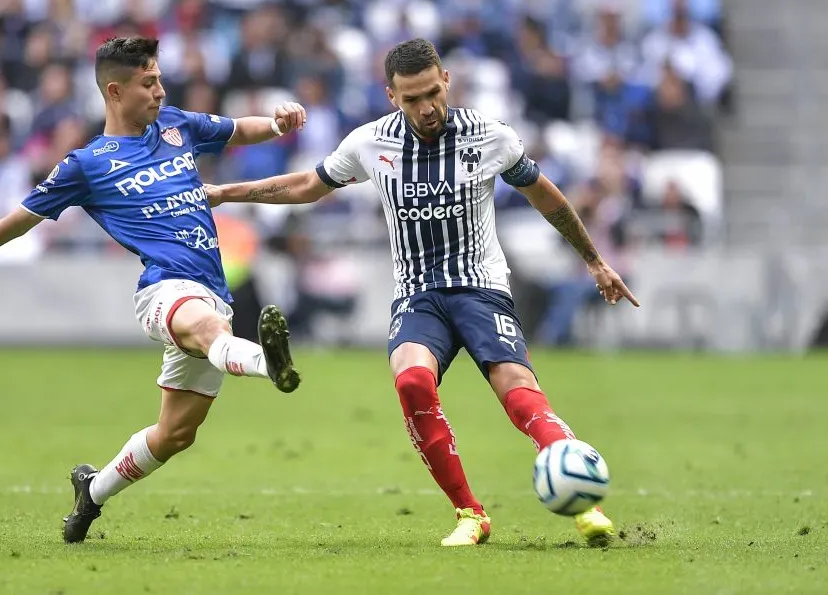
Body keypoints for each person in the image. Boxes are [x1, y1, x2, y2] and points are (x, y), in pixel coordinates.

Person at [205, 38, 639, 547]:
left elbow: (544, 193)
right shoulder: (370, 143)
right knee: (412, 382)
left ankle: (585, 504)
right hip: (417, 294)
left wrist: (594, 260)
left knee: (516, 391)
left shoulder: (490, 136)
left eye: (433, 92)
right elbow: (308, 185)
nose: (427, 107)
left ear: (446, 80)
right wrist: (224, 192)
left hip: (481, 289)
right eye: (412, 99)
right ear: (392, 96)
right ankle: (471, 515)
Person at [0, 36, 306, 544]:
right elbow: (17, 222)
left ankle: (91, 492)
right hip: (162, 290)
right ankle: (273, 365)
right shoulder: (86, 164)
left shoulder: (177, 126)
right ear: (115, 91)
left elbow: (234, 130)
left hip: (210, 288)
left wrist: (275, 123)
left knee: (175, 435)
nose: (160, 91)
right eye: (149, 83)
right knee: (209, 325)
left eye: (159, 79)